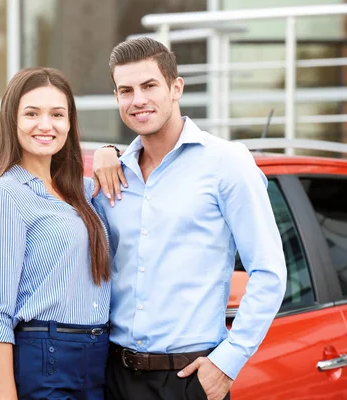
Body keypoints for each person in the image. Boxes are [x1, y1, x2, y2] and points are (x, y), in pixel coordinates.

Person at [91, 37, 287, 400]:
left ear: (176, 87)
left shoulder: (226, 163)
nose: (138, 100)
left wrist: (229, 360)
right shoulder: (113, 176)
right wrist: (105, 152)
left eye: (149, 86)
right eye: (126, 90)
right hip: (114, 376)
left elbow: (269, 272)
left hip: (188, 379)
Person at [0, 67, 111, 400]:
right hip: (45, 357)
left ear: (69, 123)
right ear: (12, 120)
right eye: (32, 113)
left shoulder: (85, 190)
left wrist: (110, 151)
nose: (46, 125)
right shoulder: (6, 196)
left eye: (57, 114)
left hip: (99, 357)